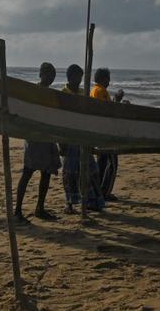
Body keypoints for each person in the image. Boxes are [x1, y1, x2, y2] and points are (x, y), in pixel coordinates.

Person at [15, 62, 61, 223]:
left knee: (46, 173)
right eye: (48, 75)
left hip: (46, 136)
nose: (51, 78)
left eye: (53, 76)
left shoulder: (50, 94)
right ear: (41, 75)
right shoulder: (33, 92)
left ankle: (40, 208)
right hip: (35, 136)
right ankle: (18, 210)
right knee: (27, 172)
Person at [59, 64, 103, 213]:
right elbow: (61, 120)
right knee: (70, 172)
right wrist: (61, 142)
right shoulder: (64, 93)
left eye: (81, 77)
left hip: (83, 137)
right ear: (69, 77)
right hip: (70, 138)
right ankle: (69, 203)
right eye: (76, 77)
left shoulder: (84, 93)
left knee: (91, 170)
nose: (79, 80)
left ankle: (93, 201)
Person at [90, 67, 123, 201]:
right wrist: (117, 100)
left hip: (99, 131)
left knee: (102, 163)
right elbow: (106, 109)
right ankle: (105, 191)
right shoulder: (100, 91)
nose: (109, 82)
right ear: (104, 79)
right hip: (105, 132)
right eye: (108, 79)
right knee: (112, 163)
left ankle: (100, 190)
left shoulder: (94, 90)